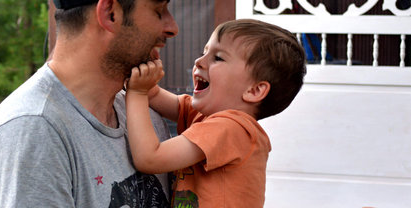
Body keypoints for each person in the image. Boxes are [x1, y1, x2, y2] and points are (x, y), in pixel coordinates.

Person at [0, 0, 210, 207]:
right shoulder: (34, 131)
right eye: (159, 11)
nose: (172, 28)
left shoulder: (142, 113)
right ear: (110, 13)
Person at [125, 19, 307, 208]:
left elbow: (150, 159)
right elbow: (154, 95)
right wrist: (143, 77)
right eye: (203, 53)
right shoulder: (208, 117)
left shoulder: (232, 128)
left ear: (254, 91)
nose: (199, 62)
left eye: (218, 58)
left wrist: (137, 92)